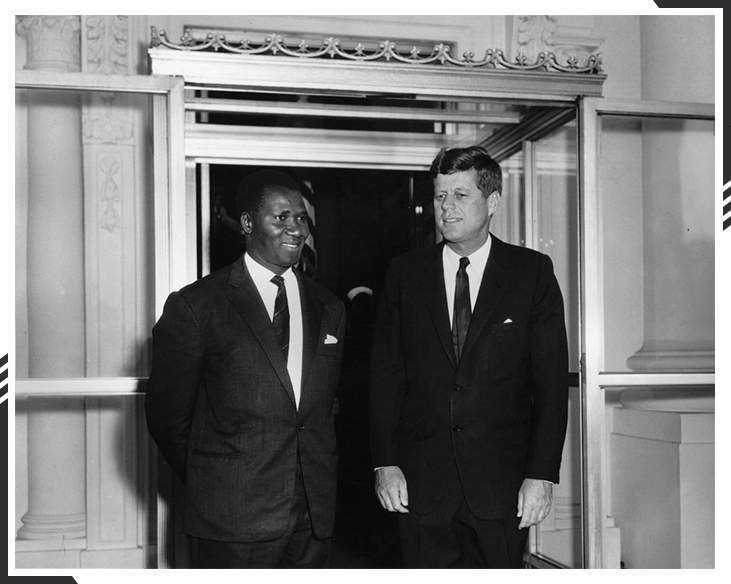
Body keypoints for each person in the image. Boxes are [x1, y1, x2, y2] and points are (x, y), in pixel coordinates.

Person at [368, 146, 569, 569]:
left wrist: (542, 474)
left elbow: (550, 384)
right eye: (441, 196)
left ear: (492, 201)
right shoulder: (404, 273)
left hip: (501, 485)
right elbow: (386, 376)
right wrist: (385, 463)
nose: (447, 207)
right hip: (420, 485)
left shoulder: (531, 273)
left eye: (461, 195)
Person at [145, 169, 346, 568]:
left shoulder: (330, 307)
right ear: (249, 224)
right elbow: (168, 418)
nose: (296, 229)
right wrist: (218, 481)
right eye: (282, 217)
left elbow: (322, 410)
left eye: (302, 218)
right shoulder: (198, 305)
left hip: (311, 520)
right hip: (231, 519)